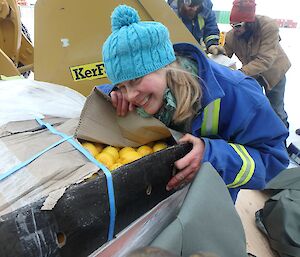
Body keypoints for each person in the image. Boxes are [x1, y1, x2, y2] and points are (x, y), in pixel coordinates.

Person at [101, 5, 289, 202]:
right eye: (122, 86)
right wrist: (113, 93)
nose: (130, 96)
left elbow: (274, 160)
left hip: (210, 204)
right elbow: (113, 90)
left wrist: (212, 157)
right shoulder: (150, 88)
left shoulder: (238, 94)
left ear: (166, 66)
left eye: (135, 79)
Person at [224, 0, 291, 128]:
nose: (234, 29)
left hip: (274, 72)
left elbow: (265, 60)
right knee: (255, 107)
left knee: (276, 109)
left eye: (238, 25)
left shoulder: (268, 26)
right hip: (253, 75)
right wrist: (217, 53)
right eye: (232, 25)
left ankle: (281, 141)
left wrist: (240, 73)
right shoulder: (232, 35)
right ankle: (260, 135)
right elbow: (225, 56)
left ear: (249, 22)